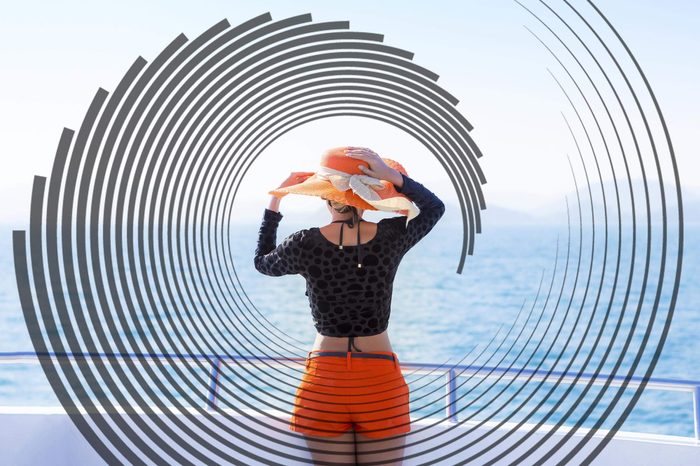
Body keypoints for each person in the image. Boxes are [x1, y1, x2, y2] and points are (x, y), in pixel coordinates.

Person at [254, 146, 445, 465]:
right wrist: (393, 178)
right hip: (378, 377)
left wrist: (276, 201)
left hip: (325, 378)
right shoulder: (391, 236)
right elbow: (434, 207)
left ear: (324, 195)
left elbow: (262, 262)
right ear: (369, 199)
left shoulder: (304, 243)